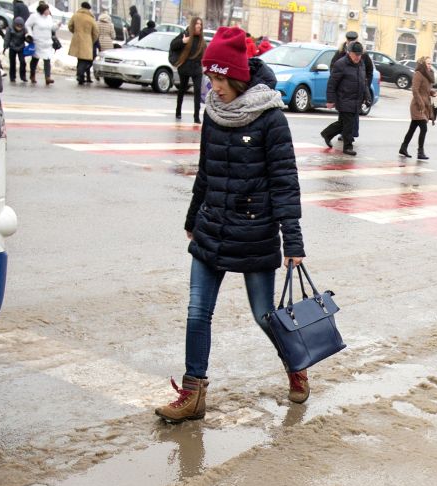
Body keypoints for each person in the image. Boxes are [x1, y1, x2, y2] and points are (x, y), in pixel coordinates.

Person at [155, 27, 307, 423]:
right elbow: (205, 171)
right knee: (196, 312)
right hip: (211, 226)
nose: (214, 86)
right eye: (210, 78)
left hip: (253, 232)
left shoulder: (270, 118)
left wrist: (293, 243)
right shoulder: (213, 112)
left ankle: (295, 365)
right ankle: (193, 395)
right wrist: (192, 219)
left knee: (263, 315)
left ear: (238, 76)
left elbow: (285, 184)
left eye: (220, 79)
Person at [320, 40, 368, 156]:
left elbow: (363, 81)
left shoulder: (361, 64)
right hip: (344, 98)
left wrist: (367, 96)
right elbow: (332, 83)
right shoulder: (340, 64)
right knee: (348, 124)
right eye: (356, 54)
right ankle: (348, 147)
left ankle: (327, 133)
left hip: (356, 99)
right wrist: (330, 100)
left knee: (342, 123)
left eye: (360, 54)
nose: (358, 57)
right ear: (349, 52)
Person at [399, 56, 435, 160]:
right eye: (428, 63)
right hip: (417, 106)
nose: (429, 66)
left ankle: (403, 147)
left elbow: (425, 90)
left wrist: (432, 93)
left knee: (412, 128)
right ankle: (420, 152)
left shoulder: (428, 75)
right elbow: (415, 90)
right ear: (423, 64)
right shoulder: (418, 74)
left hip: (424, 105)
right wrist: (421, 103)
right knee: (424, 128)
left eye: (430, 63)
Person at [170, 16, 205, 123]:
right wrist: (182, 41)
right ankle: (178, 111)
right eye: (197, 23)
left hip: (197, 68)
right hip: (185, 66)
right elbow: (173, 46)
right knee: (182, 89)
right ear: (193, 24)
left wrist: (204, 65)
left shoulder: (201, 40)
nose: (199, 25)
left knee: (198, 91)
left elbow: (205, 53)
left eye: (200, 24)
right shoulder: (185, 34)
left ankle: (196, 116)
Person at [25, 2, 58, 85]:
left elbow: (52, 28)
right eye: (47, 9)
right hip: (37, 41)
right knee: (35, 59)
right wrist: (30, 34)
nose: (48, 11)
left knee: (47, 59)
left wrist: (57, 26)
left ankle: (47, 77)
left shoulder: (49, 18)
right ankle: (32, 75)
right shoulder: (34, 17)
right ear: (42, 10)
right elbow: (27, 25)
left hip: (47, 42)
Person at [67, 1, 97, 85]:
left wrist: (76, 32)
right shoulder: (91, 18)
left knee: (80, 59)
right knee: (85, 60)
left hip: (76, 39)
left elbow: (70, 26)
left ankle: (80, 75)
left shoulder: (76, 15)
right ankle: (80, 75)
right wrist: (92, 40)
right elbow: (96, 32)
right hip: (87, 40)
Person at [5, 17, 28, 83]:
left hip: (21, 47)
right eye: (17, 25)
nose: (19, 27)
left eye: (20, 26)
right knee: (12, 63)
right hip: (12, 47)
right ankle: (12, 77)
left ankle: (23, 76)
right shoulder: (10, 29)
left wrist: (29, 39)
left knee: (22, 62)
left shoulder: (24, 29)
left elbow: (27, 38)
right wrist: (5, 46)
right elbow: (7, 38)